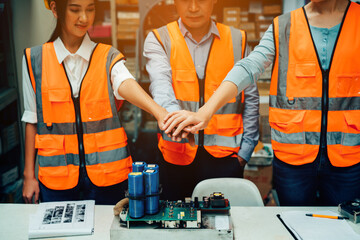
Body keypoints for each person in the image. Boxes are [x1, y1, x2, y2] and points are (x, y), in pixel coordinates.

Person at [163, 0, 360, 206]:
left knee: (346, 229)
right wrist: (206, 111)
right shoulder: (284, 25)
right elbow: (249, 67)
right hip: (293, 158)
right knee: (294, 225)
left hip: (349, 156)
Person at [22, 0, 167, 204]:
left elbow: (124, 82)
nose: (84, 18)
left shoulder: (108, 56)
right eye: (75, 10)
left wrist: (159, 112)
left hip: (108, 177)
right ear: (55, 9)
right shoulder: (34, 59)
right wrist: (29, 176)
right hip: (57, 181)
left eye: (90, 9)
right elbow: (32, 119)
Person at [144, 0, 259, 201]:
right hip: (175, 154)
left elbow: (250, 96)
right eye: (186, 0)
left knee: (223, 226)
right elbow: (161, 87)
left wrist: (245, 152)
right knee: (177, 225)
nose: (194, 7)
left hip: (227, 158)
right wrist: (179, 125)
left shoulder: (236, 39)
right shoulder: (159, 38)